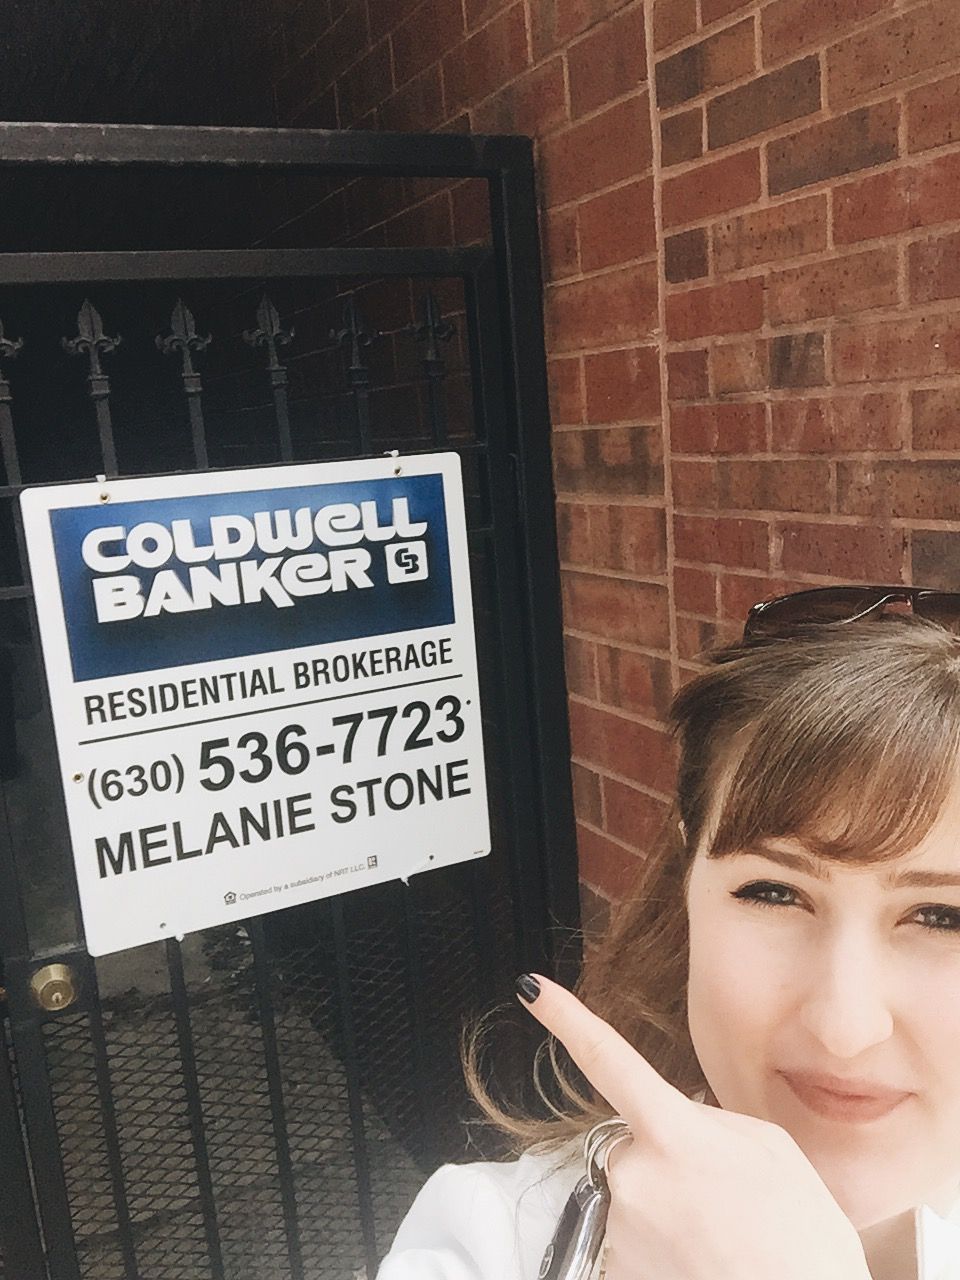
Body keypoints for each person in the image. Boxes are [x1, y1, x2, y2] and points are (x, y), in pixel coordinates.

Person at [377, 586, 960, 1280]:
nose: (844, 1027)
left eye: (942, 916)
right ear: (687, 877)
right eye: (775, 892)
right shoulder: (498, 1238)